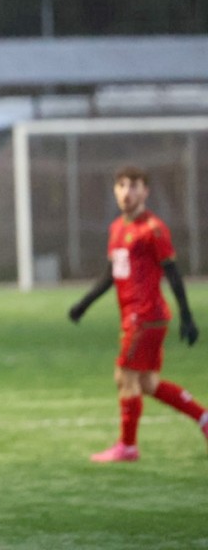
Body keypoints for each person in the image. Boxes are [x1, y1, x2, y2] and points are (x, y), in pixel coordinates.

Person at [68, 164, 208, 462]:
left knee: (124, 376)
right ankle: (204, 418)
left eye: (133, 186)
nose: (126, 192)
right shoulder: (117, 229)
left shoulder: (153, 230)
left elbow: (172, 273)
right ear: (115, 191)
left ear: (145, 191)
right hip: (136, 316)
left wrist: (187, 315)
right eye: (121, 185)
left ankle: (127, 446)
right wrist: (85, 303)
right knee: (147, 384)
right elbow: (111, 274)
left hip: (144, 316)